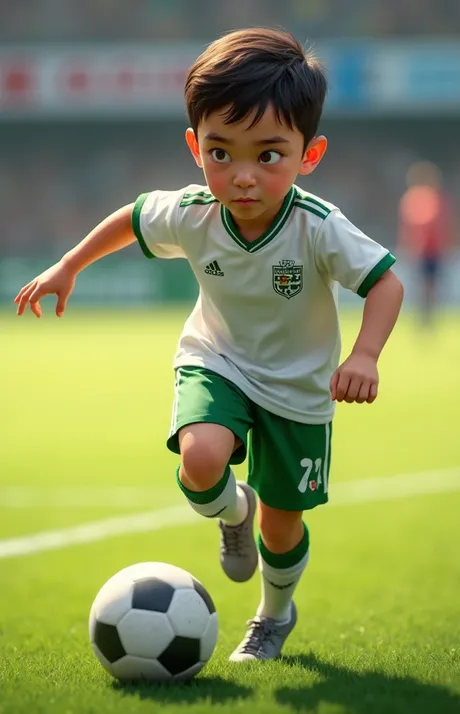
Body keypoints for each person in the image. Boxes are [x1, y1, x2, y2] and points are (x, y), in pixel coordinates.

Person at [14, 28, 404, 662]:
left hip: (299, 387)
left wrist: (364, 355)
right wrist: (69, 264)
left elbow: (386, 283)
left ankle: (274, 616)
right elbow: (133, 216)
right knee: (200, 461)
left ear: (310, 154)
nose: (242, 176)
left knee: (283, 524)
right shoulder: (193, 211)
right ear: (196, 147)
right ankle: (230, 512)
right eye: (221, 153)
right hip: (215, 359)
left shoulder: (318, 226)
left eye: (268, 156)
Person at [397, 160, 457, 326]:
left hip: (427, 250)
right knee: (427, 287)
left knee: (427, 287)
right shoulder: (427, 199)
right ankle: (425, 318)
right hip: (426, 251)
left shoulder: (417, 198)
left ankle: (425, 318)